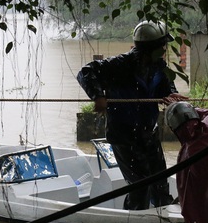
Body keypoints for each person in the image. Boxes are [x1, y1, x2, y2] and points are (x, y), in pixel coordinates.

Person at [76, 20, 188, 210]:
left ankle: (165, 216)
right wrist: (98, 96)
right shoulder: (119, 65)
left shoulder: (159, 67)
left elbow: (164, 88)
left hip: (149, 134)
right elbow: (86, 72)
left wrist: (170, 95)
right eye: (161, 46)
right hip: (124, 137)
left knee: (160, 183)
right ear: (149, 48)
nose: (164, 50)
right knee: (139, 187)